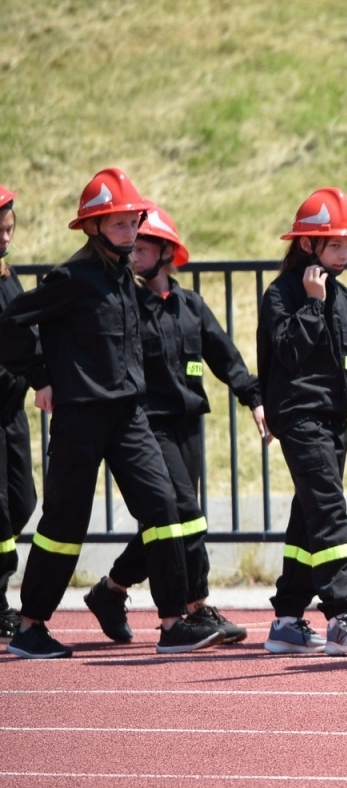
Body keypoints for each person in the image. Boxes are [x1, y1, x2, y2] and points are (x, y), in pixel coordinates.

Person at [0, 169, 219, 658]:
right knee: (63, 523)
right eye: (119, 224)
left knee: (163, 507)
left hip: (129, 415)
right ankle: (31, 625)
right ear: (94, 226)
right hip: (80, 418)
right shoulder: (72, 278)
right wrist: (41, 377)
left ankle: (171, 621)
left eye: (133, 222)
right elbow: (11, 322)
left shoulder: (125, 276)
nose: (130, 232)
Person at [88, 204, 267, 647]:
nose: (133, 254)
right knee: (185, 513)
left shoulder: (191, 306)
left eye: (144, 248)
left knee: (167, 522)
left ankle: (110, 590)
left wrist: (255, 398)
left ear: (167, 253)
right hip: (145, 425)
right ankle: (193, 607)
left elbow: (226, 357)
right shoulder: (125, 305)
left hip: (187, 425)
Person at [258, 188, 347, 656]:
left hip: (333, 418)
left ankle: (287, 620)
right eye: (335, 245)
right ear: (307, 246)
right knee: (330, 509)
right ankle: (340, 617)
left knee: (308, 518)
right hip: (298, 417)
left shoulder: (342, 296)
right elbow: (288, 352)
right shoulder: (281, 294)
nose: (345, 254)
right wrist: (312, 304)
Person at [0, 185, 39, 638]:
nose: (6, 238)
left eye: (10, 229)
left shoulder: (7, 275)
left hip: (11, 410)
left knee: (22, 501)